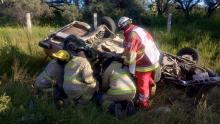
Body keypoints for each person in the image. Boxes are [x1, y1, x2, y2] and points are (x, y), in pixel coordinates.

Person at [118, 17, 160, 109]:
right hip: (153, 57)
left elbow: (131, 57)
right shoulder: (137, 29)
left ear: (123, 27)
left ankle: (144, 103)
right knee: (147, 77)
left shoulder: (131, 35)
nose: (121, 31)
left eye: (121, 28)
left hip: (145, 63)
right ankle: (151, 84)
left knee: (142, 84)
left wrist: (124, 60)